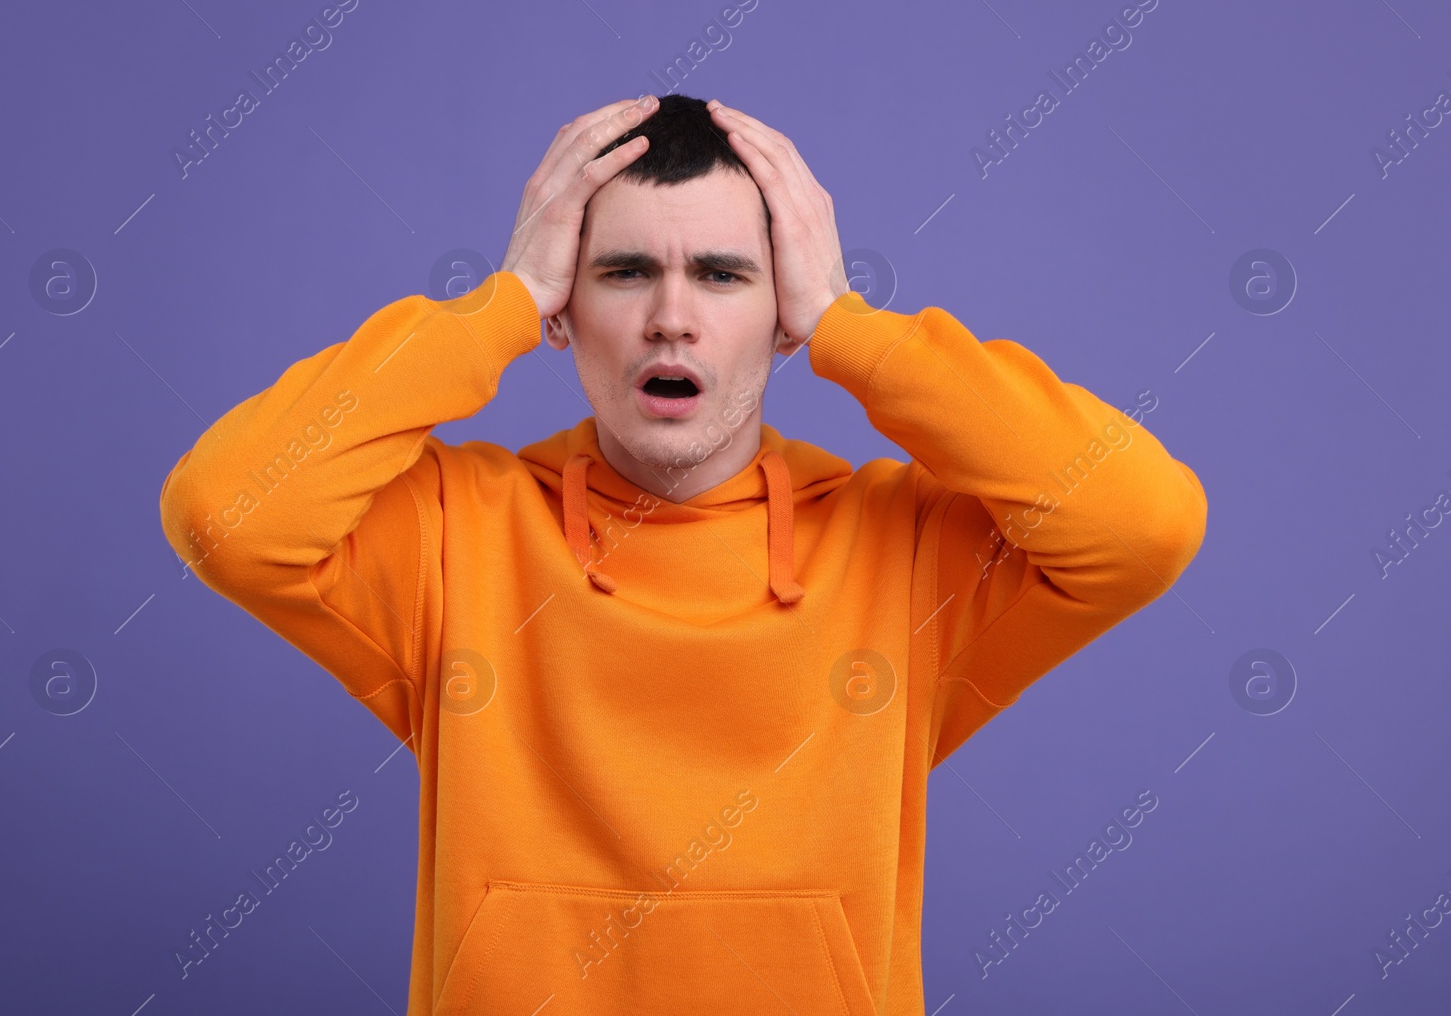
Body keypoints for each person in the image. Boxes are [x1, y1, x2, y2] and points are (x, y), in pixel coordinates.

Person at [158, 92, 1207, 1015]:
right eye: (622, 272)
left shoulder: (903, 551)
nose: (671, 319)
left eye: (721, 273)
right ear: (569, 310)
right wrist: (503, 302)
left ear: (780, 316)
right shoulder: (456, 531)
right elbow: (227, 512)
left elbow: (1140, 523)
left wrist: (853, 326)